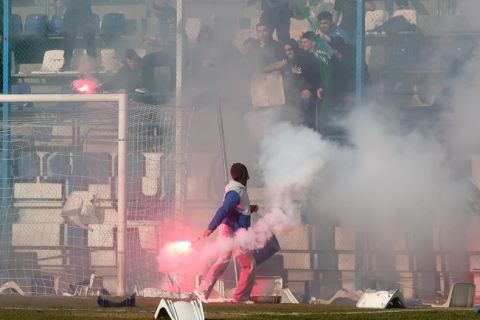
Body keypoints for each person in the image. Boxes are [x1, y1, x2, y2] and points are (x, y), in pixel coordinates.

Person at [194, 163, 258, 303]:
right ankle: (239, 297)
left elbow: (237, 209)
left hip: (234, 231)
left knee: (228, 261)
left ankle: (203, 291)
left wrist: (250, 208)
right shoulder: (236, 191)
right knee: (247, 264)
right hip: (231, 231)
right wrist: (210, 227)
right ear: (243, 175)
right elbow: (224, 210)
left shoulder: (237, 190)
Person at [266, 39, 323, 128]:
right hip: (297, 92)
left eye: (290, 49)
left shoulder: (305, 58)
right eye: (286, 51)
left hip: (312, 90)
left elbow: (311, 76)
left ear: (295, 48)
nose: (288, 52)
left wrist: (308, 89)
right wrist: (279, 71)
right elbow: (295, 74)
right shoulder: (292, 60)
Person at [141, 0, 177, 94]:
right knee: (146, 60)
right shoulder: (164, 19)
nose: (154, 12)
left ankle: (173, 93)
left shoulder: (171, 17)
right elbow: (164, 41)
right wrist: (150, 41)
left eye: (156, 9)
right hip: (169, 52)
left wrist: (152, 41)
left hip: (178, 54)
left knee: (174, 65)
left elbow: (172, 41)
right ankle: (150, 89)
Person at [61, 0, 97, 71]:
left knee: (89, 37)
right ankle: (67, 63)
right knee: (69, 39)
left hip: (85, 12)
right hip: (71, 13)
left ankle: (93, 63)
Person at [300, 31, 332, 110]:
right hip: (304, 89)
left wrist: (321, 87)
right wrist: (304, 88)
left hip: (319, 90)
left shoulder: (321, 57)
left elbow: (326, 74)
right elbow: (296, 74)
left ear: (313, 43)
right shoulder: (299, 57)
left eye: (305, 42)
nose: (303, 44)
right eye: (302, 42)